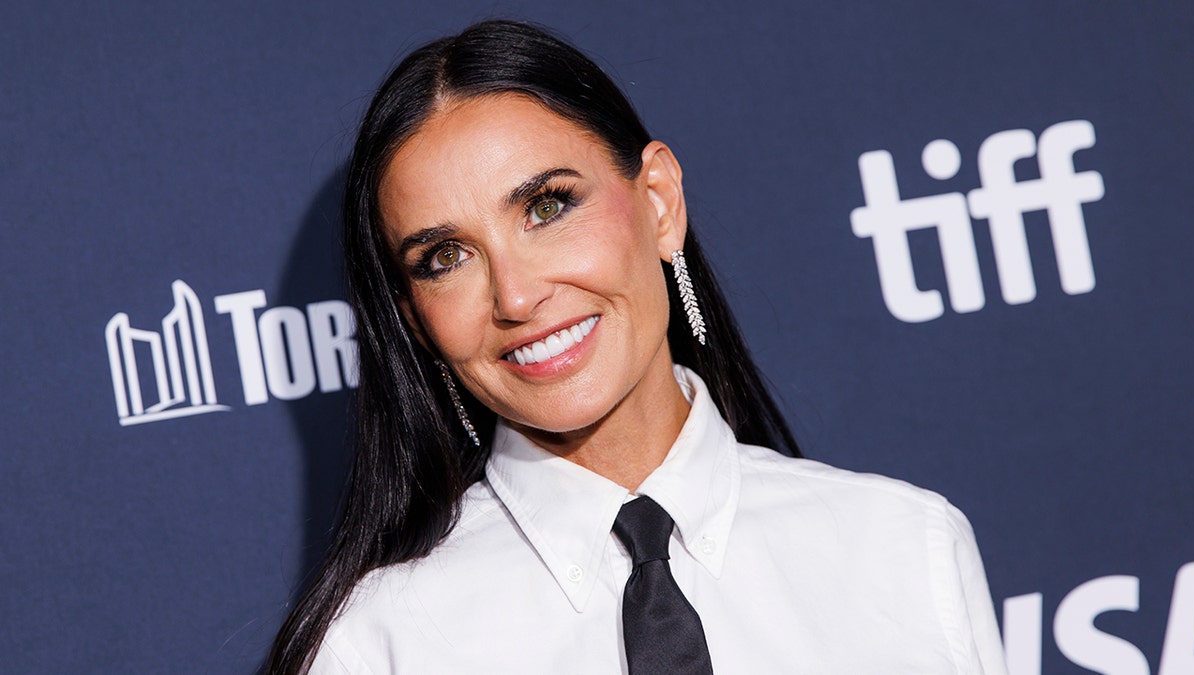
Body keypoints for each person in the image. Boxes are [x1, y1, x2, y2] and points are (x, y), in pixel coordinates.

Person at [268, 19, 1008, 674]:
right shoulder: (378, 648)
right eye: (446, 257)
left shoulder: (909, 551)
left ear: (658, 201)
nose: (516, 297)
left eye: (547, 207)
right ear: (415, 317)